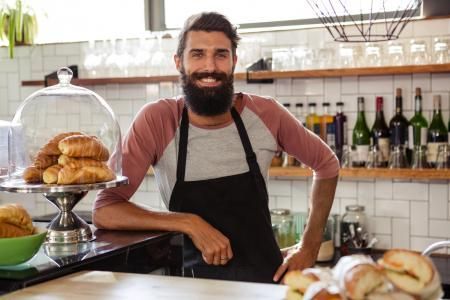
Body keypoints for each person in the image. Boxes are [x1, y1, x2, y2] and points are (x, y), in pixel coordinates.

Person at [93, 12, 339, 284]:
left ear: (234, 61)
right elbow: (105, 209)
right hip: (191, 286)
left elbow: (327, 165)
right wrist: (188, 222)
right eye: (197, 54)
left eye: (220, 54)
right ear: (179, 62)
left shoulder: (266, 113)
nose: (209, 66)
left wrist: (309, 246)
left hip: (266, 285)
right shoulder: (158, 120)